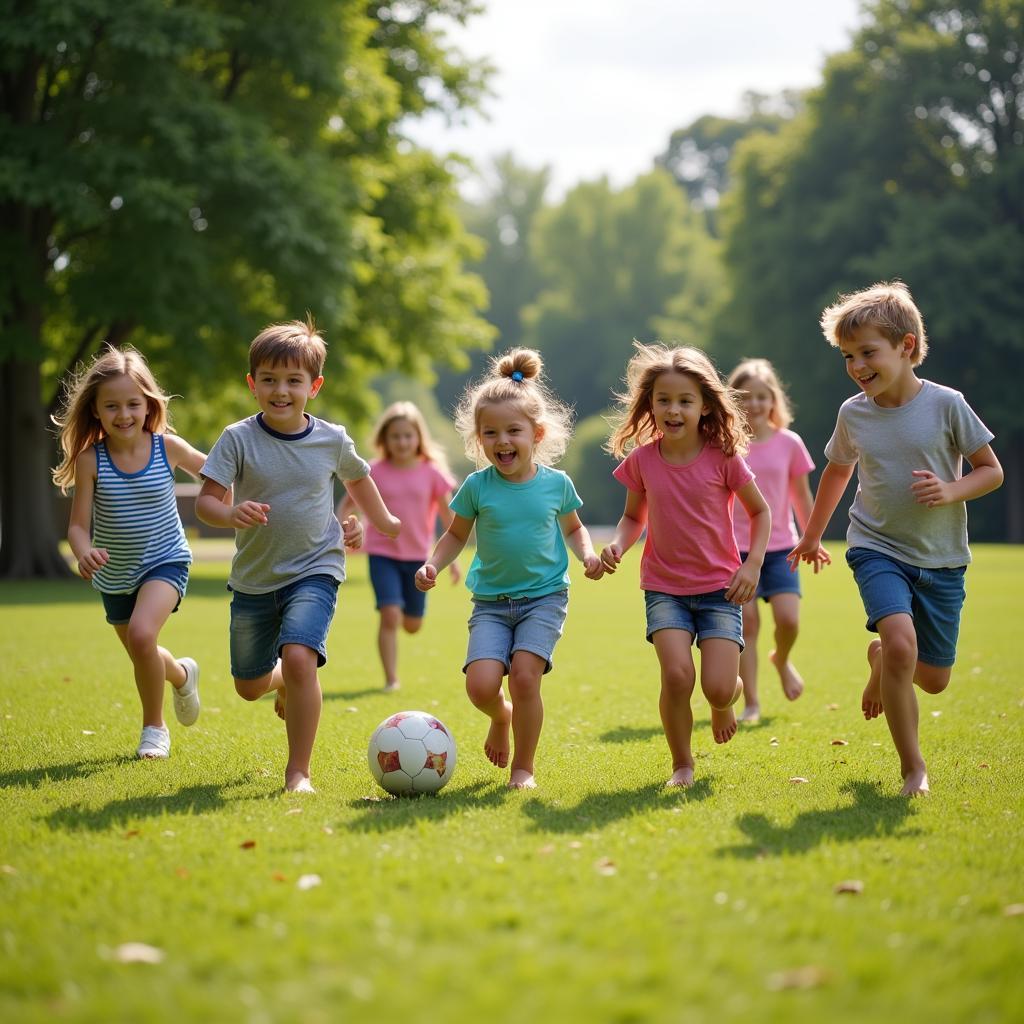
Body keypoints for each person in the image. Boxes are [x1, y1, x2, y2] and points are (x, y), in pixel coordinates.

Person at [789, 281, 1002, 797]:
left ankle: (881, 660)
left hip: (942, 557)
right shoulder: (853, 413)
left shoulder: (947, 405)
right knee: (903, 643)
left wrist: (951, 491)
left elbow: (990, 471)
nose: (857, 366)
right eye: (848, 356)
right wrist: (813, 535)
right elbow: (838, 474)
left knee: (932, 679)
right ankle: (913, 768)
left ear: (906, 346)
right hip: (876, 546)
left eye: (868, 352)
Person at [196, 319, 399, 793]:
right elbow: (207, 502)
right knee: (248, 686)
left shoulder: (331, 438)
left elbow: (358, 480)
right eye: (268, 379)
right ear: (252, 385)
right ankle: (280, 680)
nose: (280, 390)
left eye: (293, 380)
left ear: (314, 386)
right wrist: (231, 514)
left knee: (301, 655)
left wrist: (380, 521)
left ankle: (298, 773)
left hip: (316, 567)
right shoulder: (237, 438)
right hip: (254, 577)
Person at [414, 348, 603, 790]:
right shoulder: (477, 486)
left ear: (536, 434)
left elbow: (575, 530)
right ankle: (500, 717)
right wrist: (433, 564)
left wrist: (589, 556)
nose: (502, 441)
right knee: (481, 686)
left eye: (513, 431)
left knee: (524, 676)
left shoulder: (557, 484)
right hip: (492, 604)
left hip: (544, 598)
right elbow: (456, 535)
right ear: (479, 439)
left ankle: (524, 768)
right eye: (491, 432)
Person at [600, 343, 771, 788]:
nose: (673, 410)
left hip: (720, 589)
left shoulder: (724, 457)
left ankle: (723, 702)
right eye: (663, 400)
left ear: (704, 405)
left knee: (717, 686)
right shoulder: (642, 460)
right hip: (664, 588)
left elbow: (761, 512)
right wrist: (618, 545)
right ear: (650, 405)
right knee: (677, 675)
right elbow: (633, 517)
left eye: (684, 401)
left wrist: (751, 565)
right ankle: (682, 764)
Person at [53, 345, 211, 759]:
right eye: (112, 406)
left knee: (142, 636)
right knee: (142, 649)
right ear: (96, 411)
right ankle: (180, 674)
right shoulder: (91, 460)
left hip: (166, 560)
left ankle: (154, 729)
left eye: (132, 404)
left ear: (148, 405)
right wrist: (83, 551)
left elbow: (215, 471)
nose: (123, 414)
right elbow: (76, 525)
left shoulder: (167, 448)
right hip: (115, 573)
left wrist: (249, 490)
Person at [336, 401, 460, 692]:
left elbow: (450, 517)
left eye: (408, 435)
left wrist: (451, 559)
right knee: (389, 614)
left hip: (418, 557)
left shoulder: (432, 473)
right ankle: (391, 678)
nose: (402, 442)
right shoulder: (373, 471)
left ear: (418, 438)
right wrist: (339, 528)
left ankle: (408, 616)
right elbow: (347, 503)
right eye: (395, 436)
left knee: (412, 624)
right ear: (385, 440)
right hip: (382, 554)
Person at [727, 358, 815, 722]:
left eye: (762, 397)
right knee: (747, 624)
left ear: (773, 400)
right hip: (736, 549)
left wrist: (813, 537)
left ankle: (781, 658)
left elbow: (801, 496)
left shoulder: (790, 443)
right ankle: (751, 702)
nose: (754, 405)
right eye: (745, 397)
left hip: (781, 547)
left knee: (788, 621)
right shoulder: (726, 445)